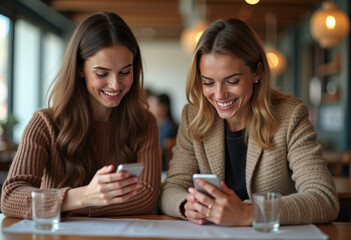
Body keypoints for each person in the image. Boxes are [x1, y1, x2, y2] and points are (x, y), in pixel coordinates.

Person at [160, 18, 339, 226]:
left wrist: (248, 213)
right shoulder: (193, 117)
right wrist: (185, 205)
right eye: (207, 82)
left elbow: (324, 199)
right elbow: (171, 189)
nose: (219, 95)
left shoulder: (290, 117)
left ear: (257, 72)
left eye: (232, 81)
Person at [1, 12, 161, 219]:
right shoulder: (45, 123)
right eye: (102, 73)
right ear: (79, 69)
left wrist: (57, 205)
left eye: (125, 72)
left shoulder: (144, 122)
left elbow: (146, 196)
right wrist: (85, 196)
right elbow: (11, 197)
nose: (115, 84)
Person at [148, 91, 178, 170]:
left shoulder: (171, 128)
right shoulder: (157, 127)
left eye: (152, 106)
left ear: (163, 108)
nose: (149, 109)